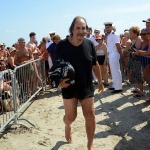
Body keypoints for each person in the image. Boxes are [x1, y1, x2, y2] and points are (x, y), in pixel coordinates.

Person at [54, 16, 104, 150]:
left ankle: (90, 144)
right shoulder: (62, 46)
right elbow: (56, 67)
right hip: (69, 87)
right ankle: (67, 125)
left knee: (90, 114)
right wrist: (59, 82)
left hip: (86, 86)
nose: (81, 31)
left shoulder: (89, 44)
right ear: (72, 29)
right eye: (78, 28)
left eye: (84, 28)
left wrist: (100, 82)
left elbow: (95, 64)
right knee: (71, 117)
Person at [104, 22, 122, 93]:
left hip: (114, 53)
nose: (107, 29)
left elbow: (118, 45)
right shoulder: (109, 35)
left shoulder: (114, 35)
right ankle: (115, 85)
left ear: (111, 27)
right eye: (106, 27)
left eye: (108, 27)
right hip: (111, 54)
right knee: (113, 71)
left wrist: (121, 54)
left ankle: (118, 88)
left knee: (116, 71)